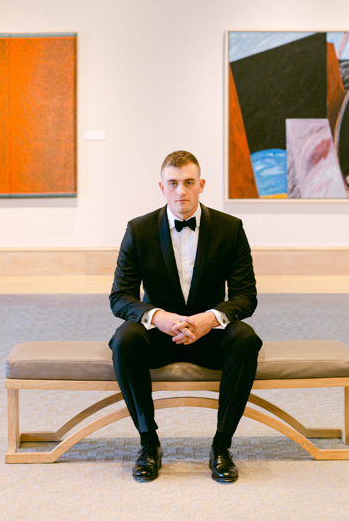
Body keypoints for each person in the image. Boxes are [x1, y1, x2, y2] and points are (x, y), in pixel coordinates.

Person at [108, 150, 262, 483]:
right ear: (162, 187)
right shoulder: (139, 229)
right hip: (160, 336)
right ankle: (149, 443)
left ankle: (222, 446)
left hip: (211, 336)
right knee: (124, 339)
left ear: (201, 184)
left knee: (246, 338)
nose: (181, 191)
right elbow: (120, 297)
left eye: (189, 182)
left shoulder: (230, 228)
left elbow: (245, 296)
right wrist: (158, 317)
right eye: (173, 183)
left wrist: (211, 318)